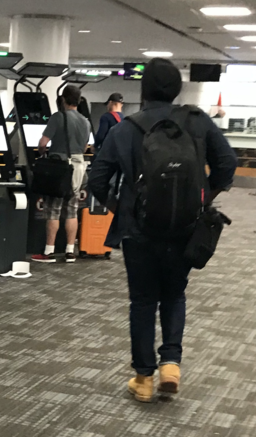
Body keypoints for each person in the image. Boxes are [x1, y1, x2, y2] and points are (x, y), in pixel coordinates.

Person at [89, 58, 237, 403]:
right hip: (184, 227)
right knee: (174, 295)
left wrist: (121, 208)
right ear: (177, 89)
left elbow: (98, 178)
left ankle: (143, 378)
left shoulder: (125, 128)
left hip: (138, 232)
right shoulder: (198, 122)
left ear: (143, 91)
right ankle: (171, 364)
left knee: (142, 301)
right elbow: (227, 165)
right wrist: (204, 197)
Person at [32, 85, 91, 264]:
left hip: (59, 169)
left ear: (63, 99)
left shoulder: (58, 117)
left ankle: (49, 252)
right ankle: (70, 251)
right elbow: (84, 146)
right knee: (72, 211)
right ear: (79, 101)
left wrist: (42, 152)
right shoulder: (85, 121)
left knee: (53, 211)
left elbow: (43, 142)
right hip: (79, 168)